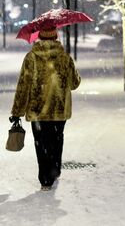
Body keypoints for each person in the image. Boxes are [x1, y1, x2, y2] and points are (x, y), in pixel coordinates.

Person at [10, 26, 81, 191]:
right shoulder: (65, 57)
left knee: (41, 144)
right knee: (57, 140)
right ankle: (54, 170)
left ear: (39, 37)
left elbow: (23, 86)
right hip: (59, 110)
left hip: (37, 111)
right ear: (56, 36)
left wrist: (17, 112)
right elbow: (75, 83)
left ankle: (45, 180)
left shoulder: (31, 58)